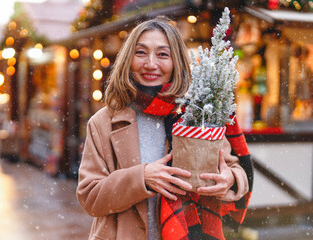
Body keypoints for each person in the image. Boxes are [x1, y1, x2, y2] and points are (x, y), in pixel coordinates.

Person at [77, 17, 251, 240]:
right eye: (140, 53)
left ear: (176, 61)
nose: (150, 64)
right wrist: (142, 178)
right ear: (128, 59)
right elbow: (90, 197)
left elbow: (236, 170)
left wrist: (230, 181)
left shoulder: (197, 115)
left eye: (162, 54)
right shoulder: (103, 123)